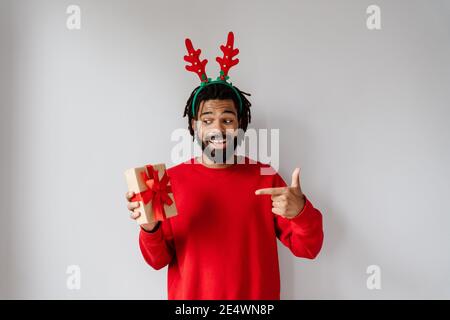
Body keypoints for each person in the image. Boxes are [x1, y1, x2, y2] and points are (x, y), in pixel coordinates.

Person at [125, 32, 324, 300]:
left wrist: (301, 212)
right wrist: (150, 228)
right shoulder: (166, 182)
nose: (217, 128)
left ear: (240, 125)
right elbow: (158, 260)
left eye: (227, 120)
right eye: (207, 120)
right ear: (194, 126)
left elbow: (308, 249)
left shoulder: (266, 178)